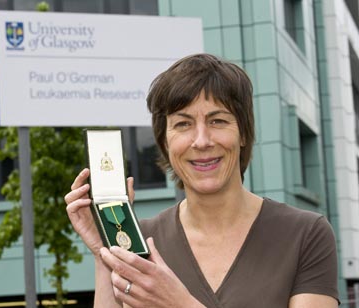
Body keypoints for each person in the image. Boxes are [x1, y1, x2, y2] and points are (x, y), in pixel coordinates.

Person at [65, 53, 339, 307]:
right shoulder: (139, 241)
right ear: (165, 141)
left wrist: (181, 304)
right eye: (183, 124)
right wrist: (105, 253)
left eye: (218, 121)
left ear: (243, 134)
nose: (202, 141)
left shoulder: (305, 234)